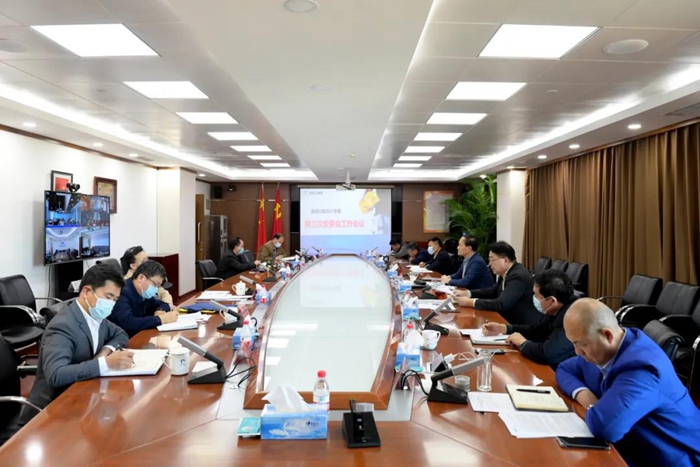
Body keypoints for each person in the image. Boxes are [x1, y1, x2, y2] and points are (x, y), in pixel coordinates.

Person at [556, 298, 700, 467]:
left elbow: (605, 427)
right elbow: (564, 369)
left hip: (669, 458)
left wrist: (596, 408)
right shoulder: (607, 348)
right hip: (631, 444)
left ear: (607, 335)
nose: (577, 352)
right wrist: (585, 395)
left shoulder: (642, 367)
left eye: (580, 344)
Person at [20, 264, 133, 423]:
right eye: (108, 297)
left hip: (85, 398)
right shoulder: (63, 325)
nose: (111, 304)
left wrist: (105, 351)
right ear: (87, 291)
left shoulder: (95, 315)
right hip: (52, 412)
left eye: (115, 299)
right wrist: (105, 363)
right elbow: (56, 374)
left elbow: (120, 334)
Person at [482, 269, 577, 369]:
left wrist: (523, 343)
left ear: (552, 301)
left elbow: (546, 354)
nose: (534, 298)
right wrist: (504, 329)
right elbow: (537, 329)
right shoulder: (555, 307)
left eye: (537, 296)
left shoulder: (572, 317)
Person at [455, 241, 540, 325]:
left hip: (522, 325)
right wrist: (467, 293)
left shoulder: (518, 276)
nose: (489, 264)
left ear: (505, 260)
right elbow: (492, 291)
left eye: (492, 260)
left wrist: (471, 302)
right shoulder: (507, 272)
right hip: (508, 319)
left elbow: (502, 304)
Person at [109, 260, 178, 337]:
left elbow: (162, 304)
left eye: (158, 286)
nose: (156, 289)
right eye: (155, 284)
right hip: (124, 338)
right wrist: (160, 319)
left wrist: (161, 310)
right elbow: (127, 323)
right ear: (141, 278)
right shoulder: (122, 292)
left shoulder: (143, 292)